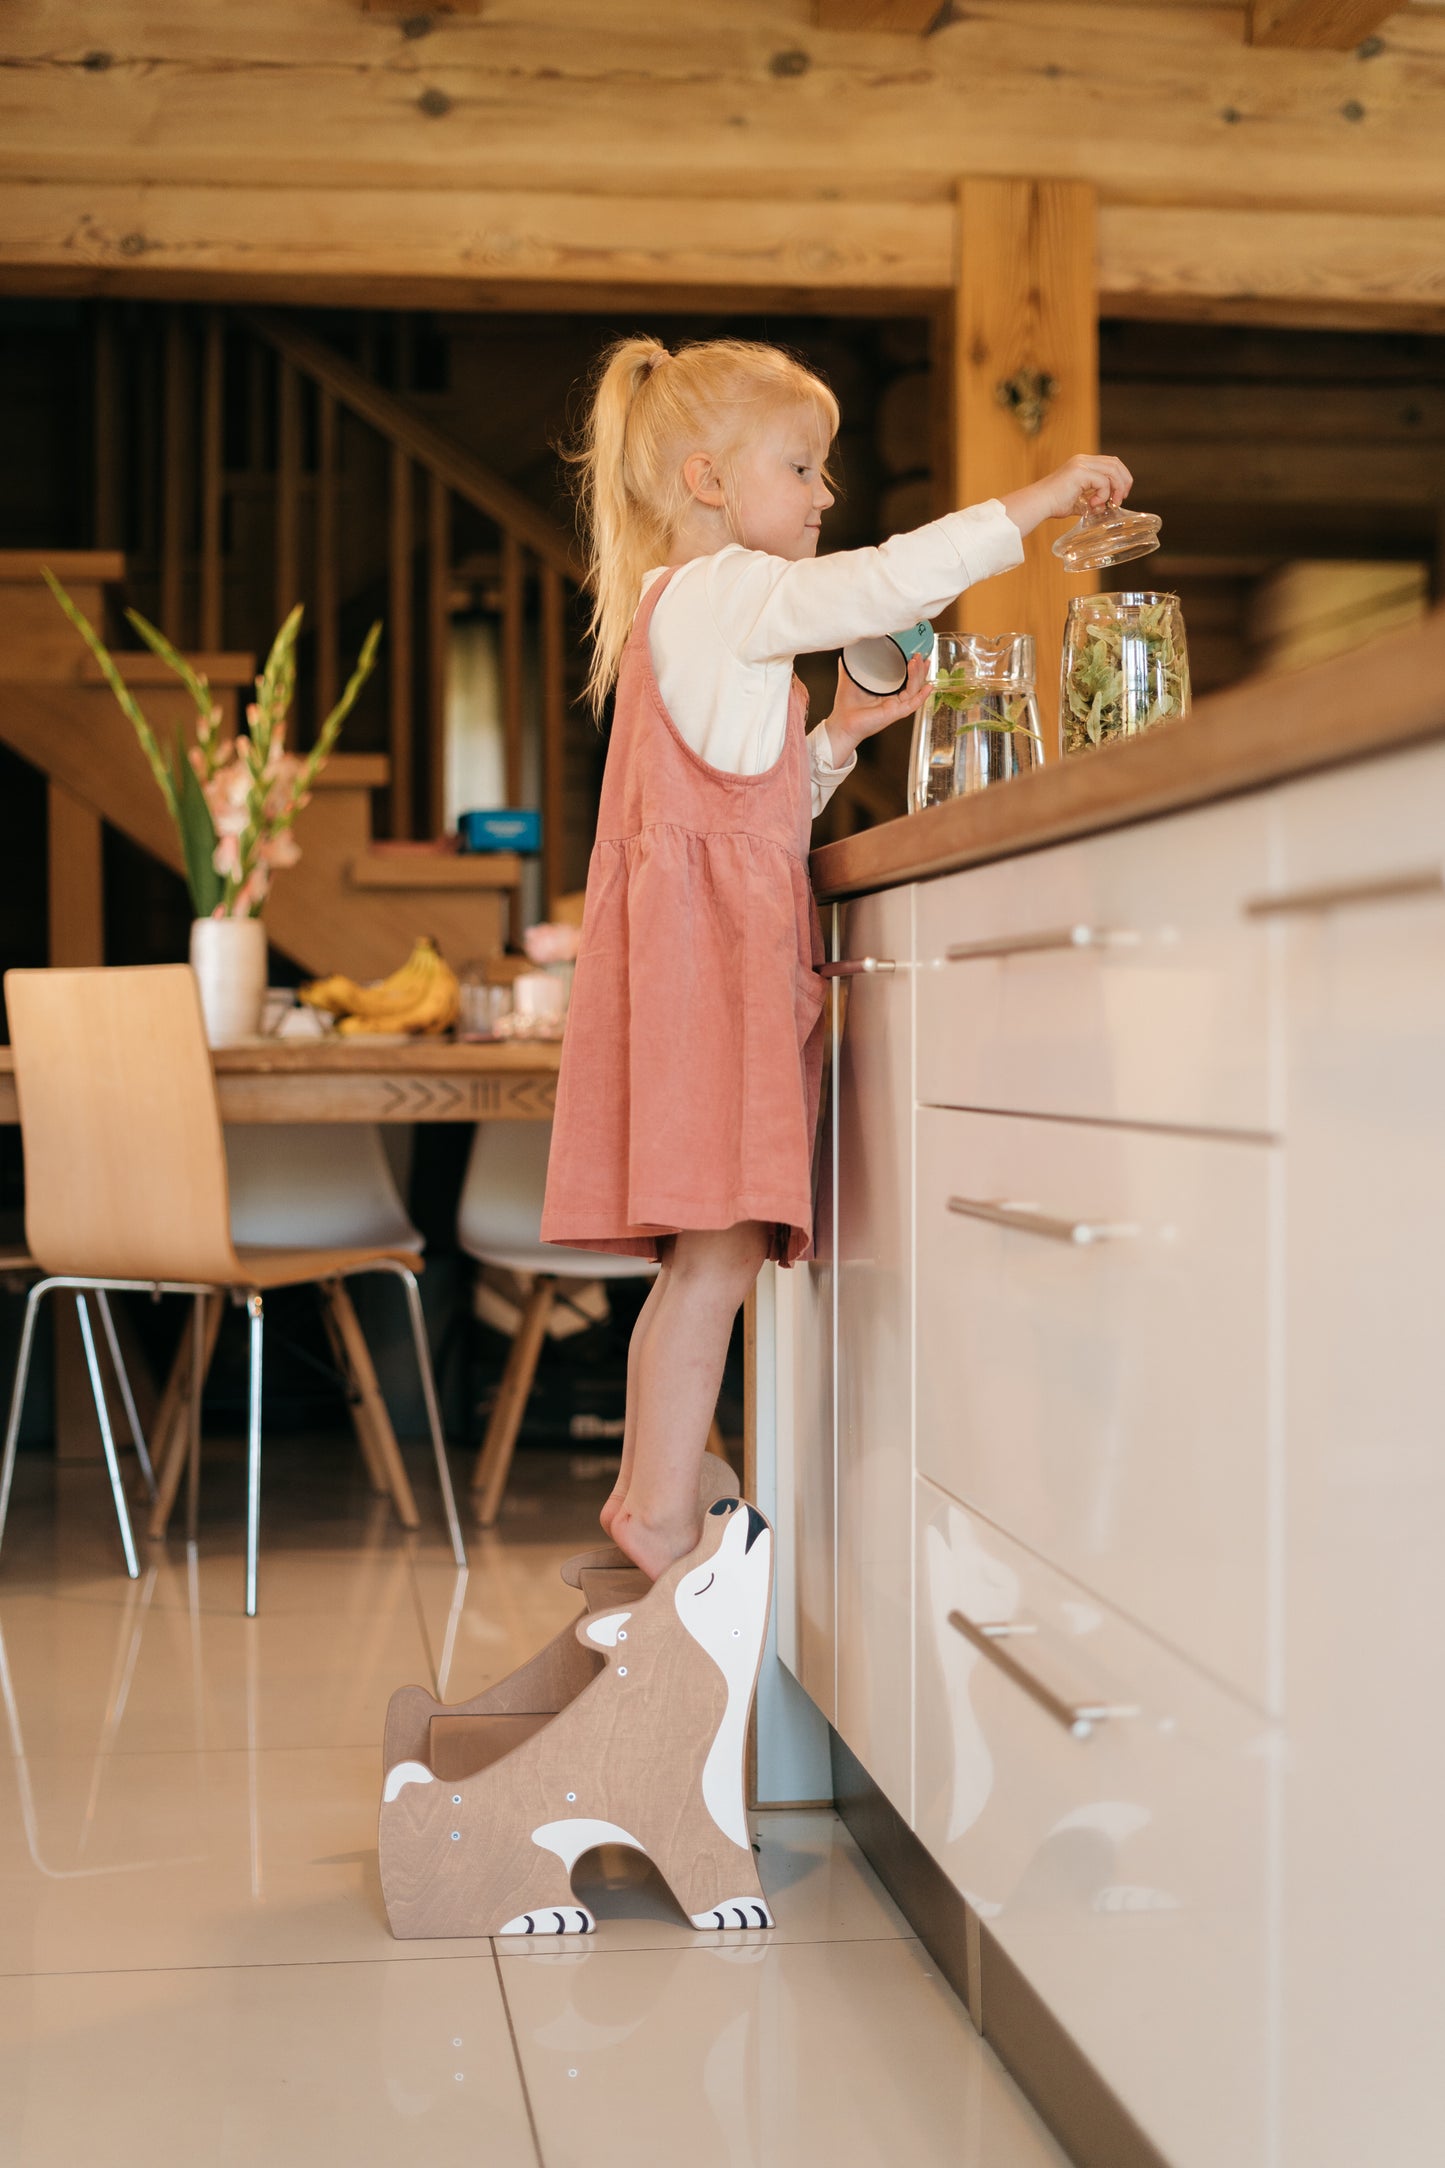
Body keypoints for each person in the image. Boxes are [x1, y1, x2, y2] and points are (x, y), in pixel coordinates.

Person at [540, 335, 1132, 1579]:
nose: (823, 496)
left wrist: (839, 737)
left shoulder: (690, 617)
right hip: (718, 979)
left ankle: (648, 1490)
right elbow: (885, 581)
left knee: (701, 1255)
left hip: (704, 963)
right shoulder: (727, 591)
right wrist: (1036, 498)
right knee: (716, 1252)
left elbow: (744, 815)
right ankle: (653, 1506)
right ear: (706, 480)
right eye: (800, 466)